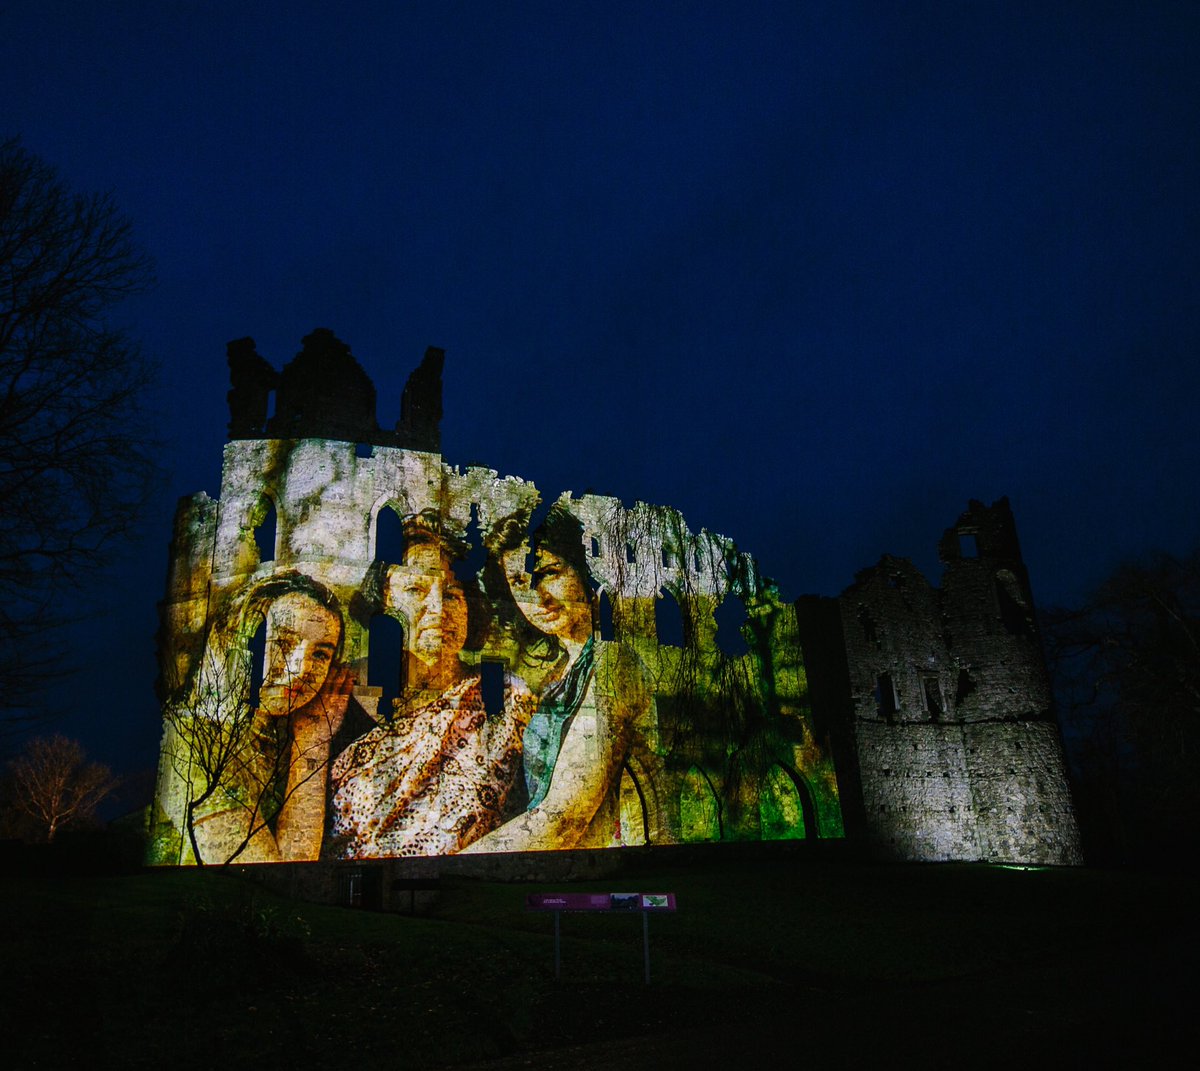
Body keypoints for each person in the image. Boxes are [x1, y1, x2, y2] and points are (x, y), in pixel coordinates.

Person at [329, 516, 535, 858]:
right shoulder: (338, 690)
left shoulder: (503, 691)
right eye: (415, 590)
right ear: (383, 601)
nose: (439, 609)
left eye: (453, 595)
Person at [462, 504, 645, 853]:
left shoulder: (613, 661)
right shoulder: (559, 674)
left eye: (548, 572)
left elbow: (563, 818)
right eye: (518, 582)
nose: (537, 597)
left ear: (581, 570)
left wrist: (445, 867)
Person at [188, 572, 371, 863]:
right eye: (283, 643)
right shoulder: (198, 743)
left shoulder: (298, 735)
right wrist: (312, 743)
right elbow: (284, 871)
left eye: (321, 655)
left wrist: (313, 738)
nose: (302, 668)